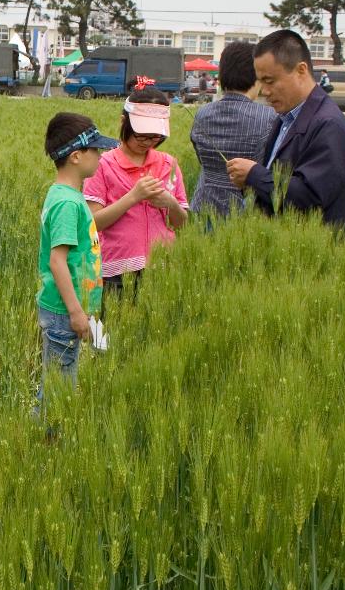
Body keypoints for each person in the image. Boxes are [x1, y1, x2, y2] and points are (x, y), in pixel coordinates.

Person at [226, 29, 345, 229]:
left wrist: (254, 175)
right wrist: (248, 182)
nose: (264, 92)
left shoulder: (328, 124)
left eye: (270, 81)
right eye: (260, 82)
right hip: (283, 243)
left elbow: (310, 197)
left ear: (301, 71)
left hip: (311, 250)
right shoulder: (285, 119)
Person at [37, 113, 116, 402]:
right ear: (76, 156)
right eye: (95, 150)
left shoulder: (68, 196)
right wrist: (75, 312)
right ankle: (48, 439)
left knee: (63, 380)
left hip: (75, 309)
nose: (100, 156)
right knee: (59, 390)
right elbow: (57, 261)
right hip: (64, 313)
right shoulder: (67, 203)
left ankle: (46, 430)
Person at [83, 88, 188, 296]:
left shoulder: (169, 164)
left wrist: (171, 203)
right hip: (116, 273)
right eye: (141, 136)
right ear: (124, 122)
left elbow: (183, 224)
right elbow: (92, 223)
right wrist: (133, 197)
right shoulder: (103, 165)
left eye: (155, 137)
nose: (148, 143)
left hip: (162, 268)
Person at [187, 41, 278, 219]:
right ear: (257, 75)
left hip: (203, 206)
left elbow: (200, 157)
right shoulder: (269, 117)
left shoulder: (202, 113)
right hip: (245, 211)